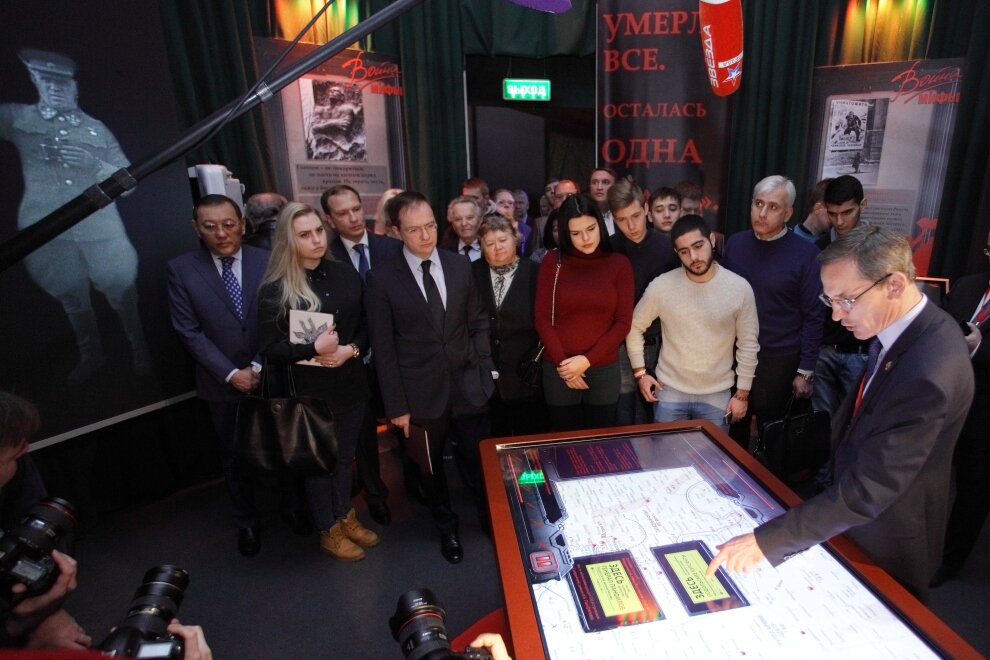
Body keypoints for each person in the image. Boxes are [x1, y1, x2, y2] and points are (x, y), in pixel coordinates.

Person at [708, 225, 974, 600]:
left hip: (885, 545)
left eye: (847, 300)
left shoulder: (929, 370)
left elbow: (869, 491)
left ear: (895, 285)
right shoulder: (910, 329)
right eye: (830, 300)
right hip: (847, 523)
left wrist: (767, 542)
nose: (836, 316)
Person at [1, 48, 150, 383]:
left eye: (62, 83)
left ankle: (140, 350)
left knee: (122, 288)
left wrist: (95, 165)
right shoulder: (17, 117)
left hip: (101, 230)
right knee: (70, 293)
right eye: (47, 81)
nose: (55, 89)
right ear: (35, 80)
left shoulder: (96, 130)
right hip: (48, 230)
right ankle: (91, 355)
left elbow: (130, 183)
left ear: (74, 87)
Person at [365, 192, 495, 563]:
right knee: (432, 468)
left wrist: (485, 367)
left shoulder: (459, 265)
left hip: (468, 386)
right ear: (396, 232)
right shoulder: (381, 279)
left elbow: (477, 321)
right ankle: (446, 528)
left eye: (431, 226)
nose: (425, 236)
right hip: (419, 394)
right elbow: (384, 349)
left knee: (478, 462)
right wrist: (397, 407)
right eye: (414, 230)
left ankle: (490, 519)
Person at [257, 202, 379, 562]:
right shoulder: (276, 288)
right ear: (288, 240)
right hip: (308, 394)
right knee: (320, 466)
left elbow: (366, 327)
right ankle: (328, 529)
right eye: (304, 235)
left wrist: (349, 351)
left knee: (345, 459)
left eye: (318, 231)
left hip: (350, 384)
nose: (316, 240)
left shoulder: (344, 273)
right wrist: (312, 348)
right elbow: (270, 349)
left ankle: (344, 516)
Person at [167, 194, 270, 557]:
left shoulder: (267, 259)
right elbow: (188, 330)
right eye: (210, 227)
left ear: (243, 224)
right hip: (220, 384)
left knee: (282, 445)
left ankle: (291, 510)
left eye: (228, 225)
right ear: (197, 229)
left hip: (269, 372)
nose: (221, 234)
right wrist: (230, 374)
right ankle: (247, 522)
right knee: (235, 456)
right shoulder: (181, 269)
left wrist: (257, 365)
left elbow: (281, 316)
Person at [627, 215, 759, 432]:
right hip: (669, 390)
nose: (694, 257)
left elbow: (748, 344)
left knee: (713, 454)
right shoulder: (662, 286)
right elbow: (634, 327)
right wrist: (640, 373)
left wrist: (742, 394)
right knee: (664, 451)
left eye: (698, 246)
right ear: (676, 253)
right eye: (684, 251)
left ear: (712, 240)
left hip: (717, 394)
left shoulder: (739, 288)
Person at [722, 175, 824, 451]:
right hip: (734, 354)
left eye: (773, 207)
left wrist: (805, 371)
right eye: (758, 204)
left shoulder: (806, 254)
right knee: (731, 431)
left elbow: (814, 316)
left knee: (773, 438)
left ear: (788, 213)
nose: (762, 213)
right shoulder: (735, 245)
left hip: (779, 361)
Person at [323, 184, 403, 526]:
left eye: (356, 208)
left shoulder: (391, 247)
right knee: (362, 435)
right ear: (329, 219)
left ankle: (417, 482)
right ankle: (375, 494)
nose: (354, 217)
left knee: (407, 424)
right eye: (342, 213)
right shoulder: (325, 255)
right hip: (352, 360)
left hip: (396, 357)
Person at [534, 194, 633, 431]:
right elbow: (541, 318)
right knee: (563, 441)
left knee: (600, 442)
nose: (586, 239)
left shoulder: (619, 264)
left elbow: (623, 323)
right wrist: (565, 366)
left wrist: (587, 360)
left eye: (590, 229)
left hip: (603, 368)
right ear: (565, 234)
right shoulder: (552, 261)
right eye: (576, 233)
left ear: (601, 224)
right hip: (559, 368)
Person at [0, 392, 89, 651]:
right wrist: (18, 627)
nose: (25, 450)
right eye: (13, 457)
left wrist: (44, 613)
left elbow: (46, 523)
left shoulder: (15, 458)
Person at [931, 229, 990, 587]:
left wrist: (978, 347)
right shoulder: (967, 286)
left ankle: (949, 562)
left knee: (973, 491)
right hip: (947, 404)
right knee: (933, 479)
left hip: (985, 417)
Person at [607, 178, 679, 424]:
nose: (631, 225)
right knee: (622, 412)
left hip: (660, 344)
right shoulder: (608, 249)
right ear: (613, 219)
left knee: (654, 412)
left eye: (636, 216)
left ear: (646, 209)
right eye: (622, 219)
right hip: (619, 345)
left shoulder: (667, 247)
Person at [472, 216, 546, 436]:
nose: (498, 248)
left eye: (503, 240)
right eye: (490, 243)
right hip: (486, 381)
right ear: (482, 247)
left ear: (515, 238)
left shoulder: (535, 272)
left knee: (529, 443)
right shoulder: (472, 273)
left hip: (528, 378)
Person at [806, 176, 870, 418]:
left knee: (854, 421)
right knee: (820, 423)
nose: (840, 221)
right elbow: (812, 306)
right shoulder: (819, 247)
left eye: (847, 212)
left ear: (863, 205)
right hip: (824, 351)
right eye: (833, 214)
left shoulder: (877, 248)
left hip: (861, 351)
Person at [792, 178, 833, 250]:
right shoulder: (789, 240)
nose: (837, 219)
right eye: (832, 213)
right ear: (817, 208)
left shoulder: (834, 240)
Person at [439, 196, 483, 262]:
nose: (464, 223)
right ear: (452, 224)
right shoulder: (443, 252)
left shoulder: (491, 247)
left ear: (480, 220)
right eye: (458, 219)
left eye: (469, 218)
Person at [493, 189, 532, 255]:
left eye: (510, 202)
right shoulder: (487, 227)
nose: (506, 205)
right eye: (501, 202)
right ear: (494, 205)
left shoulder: (525, 229)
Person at [589, 167, 617, 235]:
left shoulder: (622, 216)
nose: (599, 187)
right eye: (595, 182)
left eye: (605, 182)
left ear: (615, 187)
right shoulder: (581, 216)